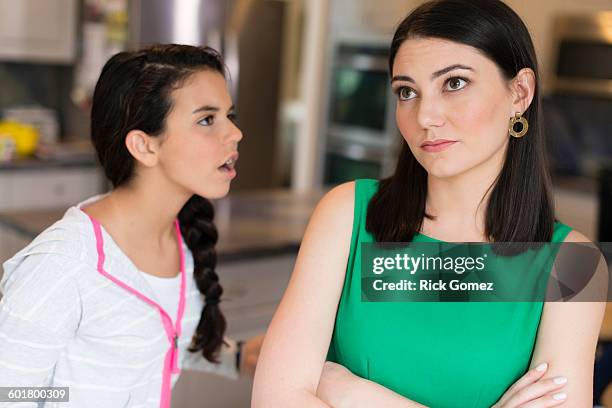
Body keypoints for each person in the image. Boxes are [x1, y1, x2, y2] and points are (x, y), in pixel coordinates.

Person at [252, 1, 606, 407]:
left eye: (454, 83)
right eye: (407, 91)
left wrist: (349, 392)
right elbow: (274, 399)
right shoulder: (347, 213)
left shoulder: (575, 264)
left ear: (520, 93)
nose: (425, 115)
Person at [0, 44, 263, 407]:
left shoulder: (178, 239)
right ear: (144, 146)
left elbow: (152, 342)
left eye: (229, 116)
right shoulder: (61, 267)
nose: (235, 134)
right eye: (207, 120)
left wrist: (240, 356)